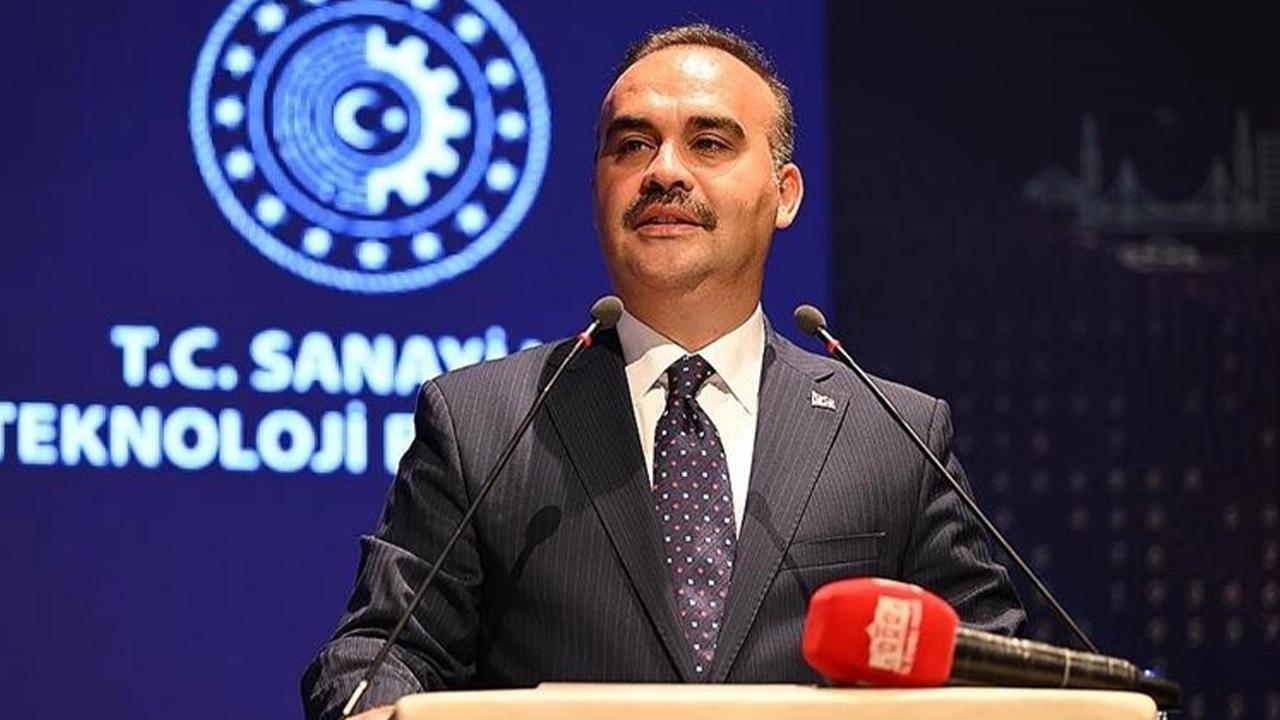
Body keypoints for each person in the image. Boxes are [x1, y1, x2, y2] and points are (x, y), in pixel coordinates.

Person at [302, 23, 1025, 720]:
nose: (664, 171)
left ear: (785, 194)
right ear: (598, 188)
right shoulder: (483, 423)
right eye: (632, 146)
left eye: (708, 143)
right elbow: (379, 653)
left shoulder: (894, 435)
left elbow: (997, 671)